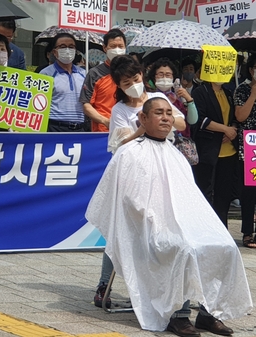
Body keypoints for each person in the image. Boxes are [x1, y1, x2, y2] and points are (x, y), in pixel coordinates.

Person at [86, 96, 252, 336]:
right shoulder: (129, 153)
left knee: (224, 244)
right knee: (182, 247)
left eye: (168, 113)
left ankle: (209, 314)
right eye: (158, 113)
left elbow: (189, 198)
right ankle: (179, 315)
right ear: (143, 118)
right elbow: (129, 201)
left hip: (183, 220)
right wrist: (158, 222)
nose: (165, 118)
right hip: (147, 224)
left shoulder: (176, 155)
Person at [95, 55, 186, 309]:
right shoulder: (120, 110)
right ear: (119, 86)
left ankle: (160, 285)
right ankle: (105, 283)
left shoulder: (159, 99)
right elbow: (117, 144)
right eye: (127, 82)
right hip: (135, 171)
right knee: (122, 228)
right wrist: (140, 127)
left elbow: (179, 121)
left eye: (136, 79)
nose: (134, 85)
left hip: (164, 167)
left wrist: (163, 117)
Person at [191, 80, 238, 229]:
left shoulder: (228, 93)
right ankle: (204, 229)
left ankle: (222, 230)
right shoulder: (200, 91)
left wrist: (232, 130)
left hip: (228, 150)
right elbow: (200, 119)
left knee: (223, 196)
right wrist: (225, 129)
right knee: (205, 192)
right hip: (208, 150)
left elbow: (234, 118)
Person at [79, 28, 127, 132]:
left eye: (120, 46)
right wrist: (105, 121)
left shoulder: (131, 73)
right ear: (105, 48)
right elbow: (86, 105)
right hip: (102, 131)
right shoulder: (95, 74)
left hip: (128, 130)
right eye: (113, 46)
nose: (117, 49)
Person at [40, 33, 86, 132]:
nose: (67, 50)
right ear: (54, 52)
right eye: (62, 47)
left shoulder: (84, 74)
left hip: (80, 128)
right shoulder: (46, 74)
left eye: (71, 47)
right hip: (55, 128)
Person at [234, 53, 256, 248]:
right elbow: (241, 116)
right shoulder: (242, 90)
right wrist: (254, 94)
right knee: (249, 191)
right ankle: (248, 231)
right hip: (250, 146)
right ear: (251, 69)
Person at [147, 57, 198, 138]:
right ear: (154, 77)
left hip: (180, 143)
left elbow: (192, 120)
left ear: (173, 77)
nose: (164, 77)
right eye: (160, 74)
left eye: (168, 75)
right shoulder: (149, 97)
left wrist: (189, 99)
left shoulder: (179, 97)